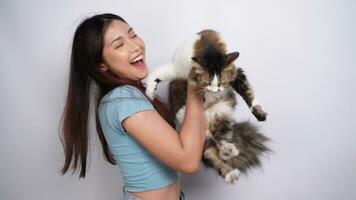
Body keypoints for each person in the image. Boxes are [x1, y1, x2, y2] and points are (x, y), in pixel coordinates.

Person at [59, 13, 206, 200]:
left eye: (133, 35)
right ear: (101, 65)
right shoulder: (123, 100)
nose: (135, 46)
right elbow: (188, 161)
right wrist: (195, 88)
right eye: (119, 45)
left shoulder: (127, 95)